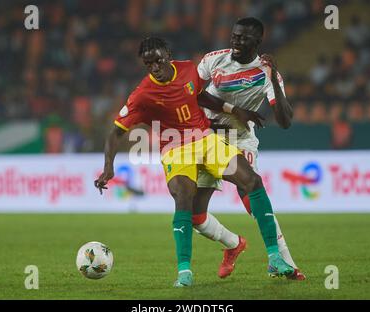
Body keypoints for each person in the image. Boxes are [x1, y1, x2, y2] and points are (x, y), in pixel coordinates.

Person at [94, 37, 294, 287]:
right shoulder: (142, 94)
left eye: (158, 60)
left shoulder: (188, 68)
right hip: (175, 149)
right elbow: (116, 132)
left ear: (168, 54)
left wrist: (234, 110)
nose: (155, 67)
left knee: (252, 180)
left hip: (205, 140)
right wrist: (108, 167)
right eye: (149, 64)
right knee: (184, 199)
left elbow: (200, 96)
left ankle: (275, 257)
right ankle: (184, 272)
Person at [192, 17, 306, 280]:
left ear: (257, 41)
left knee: (251, 190)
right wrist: (234, 109)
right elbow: (193, 93)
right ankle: (233, 244)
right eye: (234, 35)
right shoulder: (215, 59)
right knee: (195, 216)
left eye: (243, 37)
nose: (236, 41)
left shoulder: (266, 74)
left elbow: (285, 121)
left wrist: (274, 80)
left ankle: (281, 261)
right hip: (207, 136)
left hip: (239, 138)